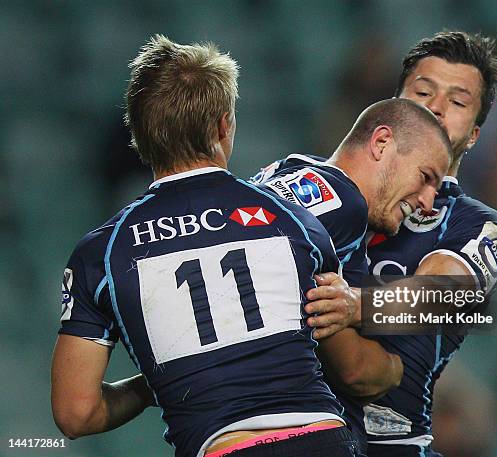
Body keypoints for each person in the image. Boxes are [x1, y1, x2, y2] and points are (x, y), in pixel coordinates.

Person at [50, 35, 373, 457]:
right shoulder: (297, 222)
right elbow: (354, 368)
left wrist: (152, 386)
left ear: (139, 133)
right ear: (224, 126)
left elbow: (76, 413)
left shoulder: (104, 254)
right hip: (326, 440)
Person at [251, 97, 453, 454]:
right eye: (425, 178)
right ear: (381, 143)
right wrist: (394, 369)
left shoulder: (282, 172)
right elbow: (356, 372)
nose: (427, 202)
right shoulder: (345, 205)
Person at [362, 31, 497, 457]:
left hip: (391, 444)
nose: (435, 107)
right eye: (422, 91)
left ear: (474, 136)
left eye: (458, 102)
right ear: (391, 108)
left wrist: (348, 305)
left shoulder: (479, 226)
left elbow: (433, 299)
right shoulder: (323, 190)